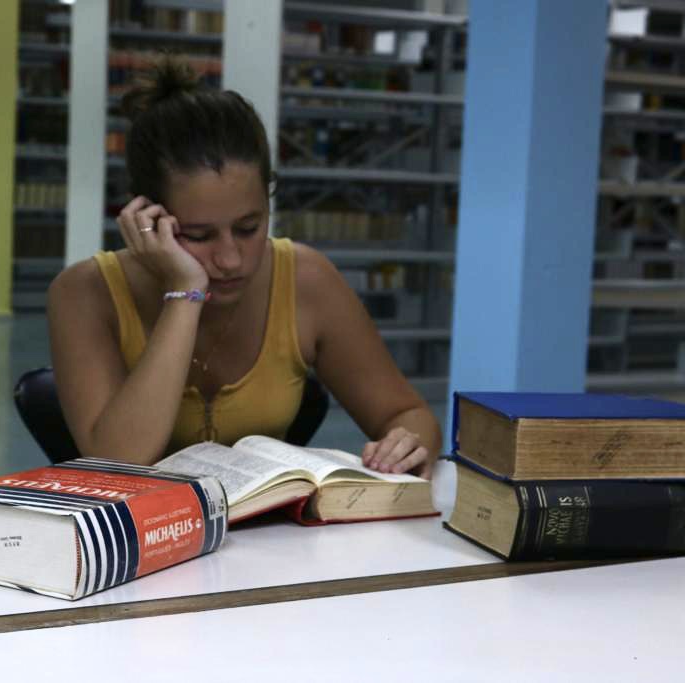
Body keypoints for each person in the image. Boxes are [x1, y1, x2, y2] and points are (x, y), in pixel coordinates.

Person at [47, 57, 441, 478]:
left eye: (250, 227)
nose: (231, 259)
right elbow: (119, 462)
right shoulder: (85, 293)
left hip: (270, 538)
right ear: (146, 217)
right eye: (198, 236)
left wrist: (405, 445)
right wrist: (184, 292)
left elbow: (408, 413)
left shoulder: (307, 280)